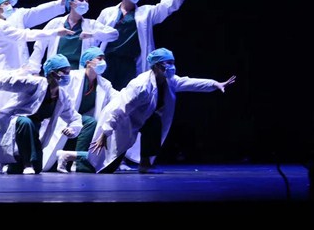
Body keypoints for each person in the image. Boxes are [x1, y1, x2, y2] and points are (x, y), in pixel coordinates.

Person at [55, 47, 236, 173]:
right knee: (106, 165)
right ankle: (69, 155)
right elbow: (120, 109)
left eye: (173, 62)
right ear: (156, 65)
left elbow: (189, 82)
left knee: (154, 123)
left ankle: (145, 164)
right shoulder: (141, 85)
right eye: (168, 63)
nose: (172, 66)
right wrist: (105, 133)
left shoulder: (169, 80)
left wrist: (215, 84)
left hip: (142, 119)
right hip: (122, 121)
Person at [0, 0, 74, 170]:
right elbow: (26, 35)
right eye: (6, 3)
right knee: (0, 120)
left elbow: (36, 12)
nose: (10, 6)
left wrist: (59, 4)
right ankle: (1, 160)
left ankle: (2, 160)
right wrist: (55, 32)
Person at [97, 0, 208, 90]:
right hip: (108, 61)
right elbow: (94, 35)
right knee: (102, 94)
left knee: (125, 95)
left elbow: (166, 6)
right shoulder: (107, 13)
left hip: (129, 65)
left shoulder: (146, 13)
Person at [0, 54, 82, 174]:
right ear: (52, 73)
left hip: (34, 131)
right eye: (64, 72)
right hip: (16, 122)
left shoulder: (62, 97)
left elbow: (74, 117)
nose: (67, 76)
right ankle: (27, 164)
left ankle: (16, 164)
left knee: (36, 168)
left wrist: (72, 129)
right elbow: (6, 81)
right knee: (25, 122)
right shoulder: (35, 84)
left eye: (68, 72)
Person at [40, 46, 118, 173]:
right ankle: (78, 161)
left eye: (104, 58)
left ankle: (77, 160)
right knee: (90, 122)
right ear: (88, 62)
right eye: (99, 58)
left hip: (80, 119)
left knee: (93, 123)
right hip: (64, 117)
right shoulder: (72, 77)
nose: (103, 61)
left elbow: (118, 98)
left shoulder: (104, 84)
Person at [26, 0, 118, 72]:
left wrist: (92, 34)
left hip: (79, 73)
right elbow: (40, 45)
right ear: (70, 3)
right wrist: (34, 70)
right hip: (56, 73)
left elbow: (113, 34)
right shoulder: (55, 23)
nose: (84, 3)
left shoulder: (91, 24)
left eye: (86, 0)